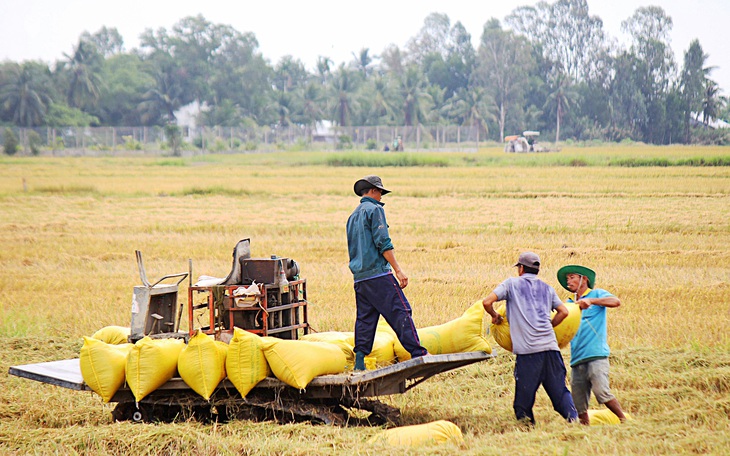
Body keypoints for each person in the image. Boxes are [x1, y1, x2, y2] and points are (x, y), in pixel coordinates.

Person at [482, 252, 578, 425]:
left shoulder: (511, 284)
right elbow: (563, 311)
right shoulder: (547, 288)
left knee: (523, 403)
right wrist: (550, 325)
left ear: (521, 268)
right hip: (551, 349)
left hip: (529, 353)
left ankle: (527, 429)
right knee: (560, 393)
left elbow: (487, 302)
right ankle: (574, 419)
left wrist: (495, 315)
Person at [346, 175, 428, 371]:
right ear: (374, 191)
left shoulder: (352, 216)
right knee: (401, 311)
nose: (382, 197)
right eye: (380, 193)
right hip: (378, 275)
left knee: (365, 319)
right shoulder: (375, 210)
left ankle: (359, 362)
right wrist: (398, 270)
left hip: (360, 278)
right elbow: (383, 242)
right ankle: (419, 353)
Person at [557, 264, 626, 425]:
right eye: (567, 279)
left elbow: (616, 301)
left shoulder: (597, 294)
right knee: (579, 403)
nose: (569, 281)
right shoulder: (567, 304)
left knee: (602, 392)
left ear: (584, 279)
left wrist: (592, 301)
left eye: (572, 277)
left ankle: (624, 421)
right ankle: (584, 432)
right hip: (576, 359)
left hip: (596, 355)